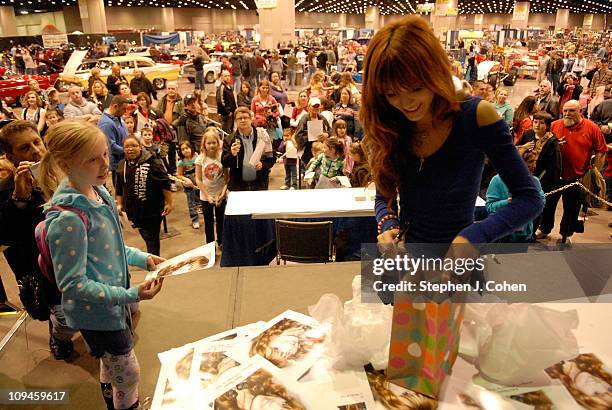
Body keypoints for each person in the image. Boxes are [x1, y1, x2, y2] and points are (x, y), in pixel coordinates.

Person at [362, 16, 543, 261]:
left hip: (458, 264)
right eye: (392, 93)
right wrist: (387, 223)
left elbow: (529, 198)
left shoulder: (476, 116)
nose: (406, 104)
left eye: (416, 88)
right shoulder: (390, 121)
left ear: (434, 74)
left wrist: (475, 236)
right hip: (408, 261)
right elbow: (384, 194)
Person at [38, 121, 165, 410]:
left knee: (113, 365)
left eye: (105, 154)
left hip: (112, 305)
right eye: (92, 159)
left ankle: (114, 398)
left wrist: (142, 258)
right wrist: (131, 295)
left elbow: (113, 246)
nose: (104, 164)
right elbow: (72, 285)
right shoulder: (68, 218)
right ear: (66, 163)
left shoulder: (99, 192)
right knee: (128, 372)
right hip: (97, 313)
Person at [0, 121, 77, 360]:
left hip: (80, 259)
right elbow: (5, 237)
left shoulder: (64, 174)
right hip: (46, 274)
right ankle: (59, 337)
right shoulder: (6, 190)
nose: (35, 150)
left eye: (37, 142)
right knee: (66, 321)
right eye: (25, 148)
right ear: (10, 156)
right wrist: (19, 200)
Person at [537, 100, 607, 244]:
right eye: (565, 111)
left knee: (572, 209)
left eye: (571, 111)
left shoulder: (592, 128)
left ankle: (565, 234)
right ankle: (544, 229)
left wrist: (595, 171)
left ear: (579, 111)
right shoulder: (555, 125)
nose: (567, 114)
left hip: (577, 177)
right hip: (553, 176)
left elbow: (601, 150)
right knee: (548, 204)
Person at [116, 136, 174, 255]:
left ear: (140, 147)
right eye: (127, 146)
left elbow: (165, 182)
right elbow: (119, 186)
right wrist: (119, 203)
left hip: (151, 210)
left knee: (151, 240)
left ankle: (155, 264)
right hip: (134, 211)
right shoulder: (123, 165)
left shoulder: (153, 162)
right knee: (147, 236)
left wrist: (169, 203)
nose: (130, 149)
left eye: (134, 146)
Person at [486, 150, 545, 244]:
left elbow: (541, 203)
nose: (534, 166)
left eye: (535, 161)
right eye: (530, 162)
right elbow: (490, 207)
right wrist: (508, 202)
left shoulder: (535, 181)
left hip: (524, 236)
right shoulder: (497, 180)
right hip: (502, 236)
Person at [221, 107, 274, 191]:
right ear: (236, 121)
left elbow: (271, 158)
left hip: (259, 185)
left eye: (245, 118)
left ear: (250, 119)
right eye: (239, 118)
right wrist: (232, 154)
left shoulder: (263, 136)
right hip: (238, 187)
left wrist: (263, 165)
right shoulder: (229, 140)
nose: (242, 120)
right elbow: (224, 162)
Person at [195, 127, 227, 246]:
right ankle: (210, 244)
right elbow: (198, 180)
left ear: (218, 143)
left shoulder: (222, 157)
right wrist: (207, 195)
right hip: (206, 197)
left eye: (214, 143)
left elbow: (226, 178)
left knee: (221, 220)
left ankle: (221, 241)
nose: (212, 145)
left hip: (220, 195)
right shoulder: (200, 159)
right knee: (208, 222)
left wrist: (222, 194)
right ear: (204, 144)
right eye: (209, 143)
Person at [98, 95, 129, 188]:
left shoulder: (117, 117)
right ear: (115, 106)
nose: (125, 112)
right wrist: (128, 150)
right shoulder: (106, 123)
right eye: (123, 109)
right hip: (117, 163)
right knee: (121, 190)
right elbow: (110, 146)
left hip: (124, 159)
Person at [294, 97, 332, 168]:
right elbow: (298, 136)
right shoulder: (305, 118)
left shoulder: (321, 118)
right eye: (314, 106)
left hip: (320, 150)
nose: (316, 108)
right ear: (309, 107)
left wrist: (327, 134)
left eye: (317, 106)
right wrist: (310, 137)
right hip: (308, 151)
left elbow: (330, 130)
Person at [157, 81, 183, 175]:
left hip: (173, 131)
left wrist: (173, 125)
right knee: (162, 153)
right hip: (162, 131)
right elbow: (157, 112)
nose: (171, 90)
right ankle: (165, 172)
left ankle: (173, 171)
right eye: (169, 88)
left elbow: (182, 116)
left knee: (172, 153)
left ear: (176, 89)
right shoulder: (162, 100)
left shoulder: (181, 101)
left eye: (173, 88)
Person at [177, 141, 200, 229]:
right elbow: (179, 175)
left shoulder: (197, 157)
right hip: (189, 185)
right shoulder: (181, 162)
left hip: (199, 182)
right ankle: (195, 219)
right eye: (183, 149)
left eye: (187, 148)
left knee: (202, 200)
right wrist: (186, 179)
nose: (185, 150)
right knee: (191, 203)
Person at [216, 69, 237, 135]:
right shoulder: (221, 87)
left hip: (232, 114)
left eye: (228, 76)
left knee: (230, 131)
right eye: (225, 76)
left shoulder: (230, 87)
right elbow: (220, 101)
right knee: (226, 133)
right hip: (226, 115)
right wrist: (228, 112)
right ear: (222, 77)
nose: (227, 77)